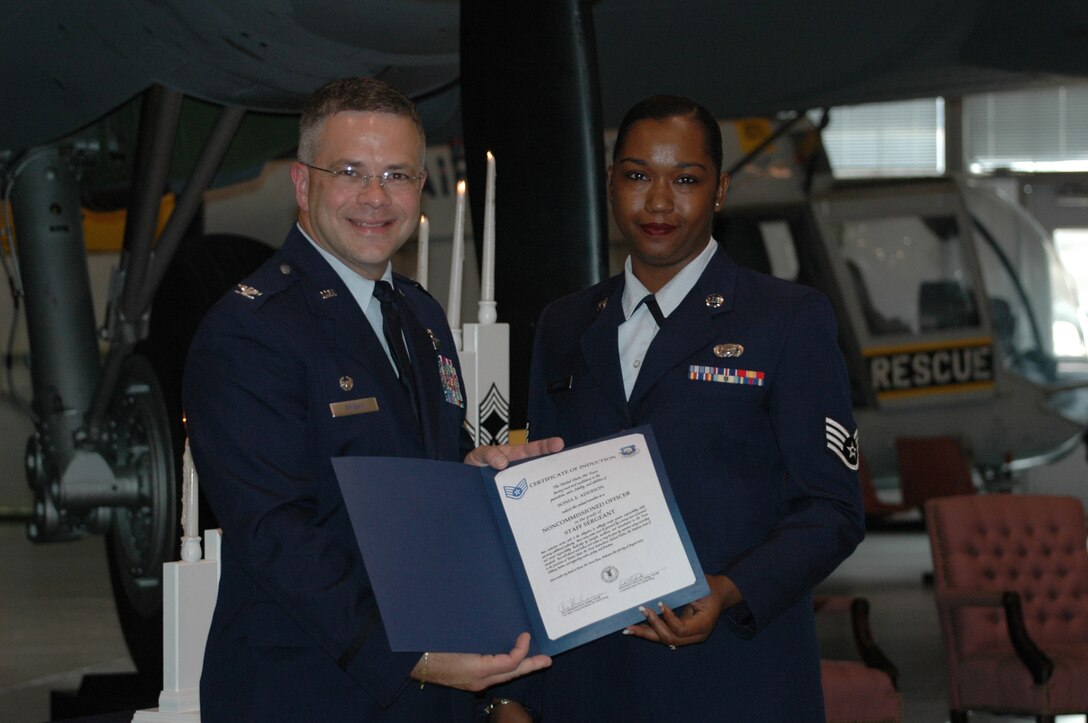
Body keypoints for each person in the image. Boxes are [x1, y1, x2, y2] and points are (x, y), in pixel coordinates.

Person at [183, 77, 558, 721]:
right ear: (303, 183)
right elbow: (274, 531)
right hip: (308, 688)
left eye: (398, 175)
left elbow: (419, 469)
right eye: (351, 171)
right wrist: (411, 656)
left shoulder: (418, 313)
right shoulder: (253, 329)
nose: (376, 198)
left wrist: (472, 473)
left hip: (426, 688)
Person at [493, 95, 865, 721]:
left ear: (719, 192)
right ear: (611, 184)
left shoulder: (786, 320)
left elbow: (832, 509)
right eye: (637, 176)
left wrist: (729, 589)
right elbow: (541, 505)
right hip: (591, 681)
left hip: (735, 674)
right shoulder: (565, 324)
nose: (659, 203)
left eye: (685, 180)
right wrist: (515, 692)